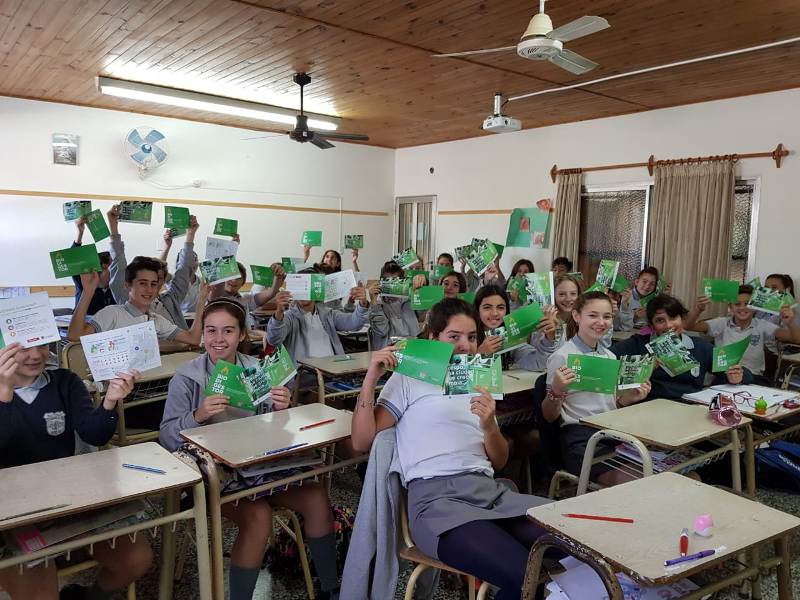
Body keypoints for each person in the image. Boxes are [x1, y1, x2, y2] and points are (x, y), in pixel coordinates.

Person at [351, 298, 551, 600]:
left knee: (573, 544)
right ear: (433, 337)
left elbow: (499, 460)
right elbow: (361, 441)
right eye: (454, 337)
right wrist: (371, 378)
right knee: (525, 574)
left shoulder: (477, 377)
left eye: (472, 337)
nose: (466, 346)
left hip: (490, 494)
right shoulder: (410, 377)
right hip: (436, 503)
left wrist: (489, 426)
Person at [159, 299, 340, 600]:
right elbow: (166, 436)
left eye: (228, 331)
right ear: (202, 334)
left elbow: (278, 432)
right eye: (211, 331)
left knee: (317, 496)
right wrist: (198, 415)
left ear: (242, 334)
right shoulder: (188, 377)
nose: (219, 339)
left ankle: (330, 587)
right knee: (258, 517)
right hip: (217, 477)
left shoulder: (258, 371)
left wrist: (284, 410)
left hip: (260, 467)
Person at [0, 342, 151, 600]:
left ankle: (87, 596)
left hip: (68, 501)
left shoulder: (65, 382)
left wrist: (110, 401)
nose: (36, 355)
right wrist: (3, 393)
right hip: (11, 516)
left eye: (43, 345)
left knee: (136, 559)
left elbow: (94, 434)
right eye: (23, 348)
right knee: (41, 594)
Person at [543, 291, 651, 486]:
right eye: (593, 315)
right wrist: (556, 391)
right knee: (637, 482)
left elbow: (609, 405)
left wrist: (628, 398)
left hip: (611, 431)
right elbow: (549, 416)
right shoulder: (563, 356)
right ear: (576, 316)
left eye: (607, 316)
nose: (601, 322)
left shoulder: (609, 357)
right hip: (581, 440)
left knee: (653, 471)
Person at [611, 294, 749, 399]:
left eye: (673, 318)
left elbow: (738, 372)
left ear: (682, 319)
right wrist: (645, 366)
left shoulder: (700, 347)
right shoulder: (638, 344)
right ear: (652, 326)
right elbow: (604, 363)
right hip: (647, 411)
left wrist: (738, 376)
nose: (669, 325)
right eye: (660, 320)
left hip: (690, 411)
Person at [67, 256, 208, 347]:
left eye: (153, 284)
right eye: (142, 283)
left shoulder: (156, 320)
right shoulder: (112, 313)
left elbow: (193, 339)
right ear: (127, 285)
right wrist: (88, 291)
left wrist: (201, 299)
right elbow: (74, 336)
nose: (149, 289)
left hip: (148, 387)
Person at [106, 205, 199, 330]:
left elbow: (183, 270)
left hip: (179, 349)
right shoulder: (127, 299)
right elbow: (118, 268)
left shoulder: (171, 299)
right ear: (129, 284)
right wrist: (113, 227)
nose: (151, 286)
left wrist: (190, 235)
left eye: (157, 280)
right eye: (144, 282)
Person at [686, 284, 800, 383]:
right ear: (730, 307)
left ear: (755, 307)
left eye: (747, 304)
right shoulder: (721, 323)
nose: (742, 308)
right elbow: (689, 326)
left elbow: (795, 339)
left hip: (753, 378)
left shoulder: (762, 325)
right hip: (725, 377)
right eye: (737, 304)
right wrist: (698, 309)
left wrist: (790, 323)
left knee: (749, 378)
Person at [267, 267, 370, 361]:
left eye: (307, 287)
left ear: (317, 290)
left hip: (332, 371)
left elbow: (353, 323)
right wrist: (279, 312)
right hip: (305, 374)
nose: (304, 293)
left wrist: (363, 303)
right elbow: (274, 339)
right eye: (300, 287)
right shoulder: (289, 317)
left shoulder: (328, 314)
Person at [474, 285, 556, 370]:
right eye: (487, 307)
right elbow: (461, 377)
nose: (495, 313)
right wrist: (479, 355)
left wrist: (549, 339)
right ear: (477, 309)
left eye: (500, 307)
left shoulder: (510, 336)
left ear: (507, 311)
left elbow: (538, 363)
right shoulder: (466, 336)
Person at [208, 260, 285, 331]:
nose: (234, 280)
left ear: (242, 283)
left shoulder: (245, 299)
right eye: (230, 276)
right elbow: (212, 296)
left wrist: (277, 278)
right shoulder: (215, 299)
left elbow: (270, 293)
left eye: (238, 278)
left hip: (246, 339)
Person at [370, 261, 420, 350]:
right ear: (381, 283)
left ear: (402, 282)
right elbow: (382, 331)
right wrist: (374, 301)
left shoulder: (409, 301)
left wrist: (420, 287)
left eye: (396, 282)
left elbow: (424, 314)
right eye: (388, 282)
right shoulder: (378, 306)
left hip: (413, 349)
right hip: (389, 353)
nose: (392, 286)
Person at [71, 216, 115, 316]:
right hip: (83, 326)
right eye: (113, 267)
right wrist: (80, 233)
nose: (116, 271)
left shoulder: (114, 289)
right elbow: (73, 260)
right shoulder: (84, 283)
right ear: (104, 266)